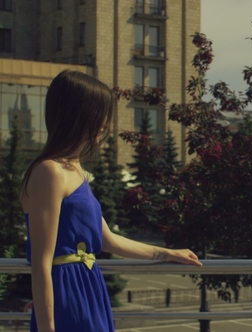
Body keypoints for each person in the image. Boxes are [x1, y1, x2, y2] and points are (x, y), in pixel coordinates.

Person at [20, 70, 202, 332]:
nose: (105, 123)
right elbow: (41, 264)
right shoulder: (49, 171)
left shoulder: (75, 169)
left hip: (89, 288)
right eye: (100, 113)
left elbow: (108, 240)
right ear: (80, 115)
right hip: (67, 293)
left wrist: (168, 253)